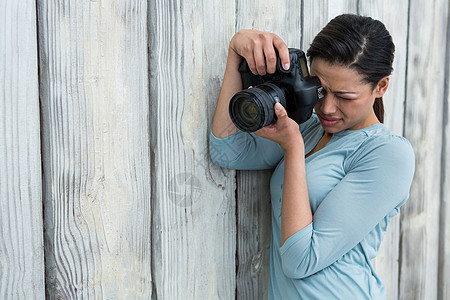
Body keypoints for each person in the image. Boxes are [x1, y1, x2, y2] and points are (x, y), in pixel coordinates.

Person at [209, 14, 415, 300]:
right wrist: (236, 54)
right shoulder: (308, 127)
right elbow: (228, 149)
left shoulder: (388, 154)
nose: (327, 108)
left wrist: (292, 148)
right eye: (320, 89)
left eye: (344, 96)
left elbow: (300, 260)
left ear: (380, 87)